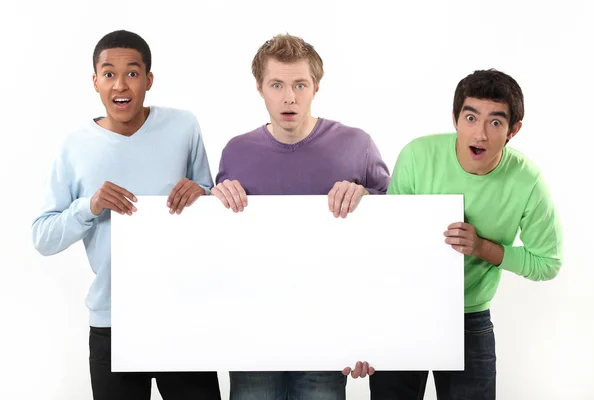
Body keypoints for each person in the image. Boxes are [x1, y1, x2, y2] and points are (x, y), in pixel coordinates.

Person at [31, 30, 221, 400]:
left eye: (132, 73)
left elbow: (213, 211)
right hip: (113, 322)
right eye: (108, 73)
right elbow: (42, 237)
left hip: (181, 316)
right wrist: (90, 205)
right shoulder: (74, 146)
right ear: (95, 81)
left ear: (149, 80)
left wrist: (205, 193)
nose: (120, 84)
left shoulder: (184, 127)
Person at [212, 33, 390, 399]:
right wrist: (212, 201)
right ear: (260, 88)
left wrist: (367, 196)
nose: (289, 97)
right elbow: (222, 241)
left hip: (327, 329)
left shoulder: (357, 144)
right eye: (276, 84)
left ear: (316, 88)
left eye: (299, 84)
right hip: (254, 331)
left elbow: (396, 226)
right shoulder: (236, 151)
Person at [369, 69, 563, 399]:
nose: (481, 134)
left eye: (496, 122)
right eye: (471, 117)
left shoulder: (527, 180)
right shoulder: (417, 155)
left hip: (469, 317)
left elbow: (547, 263)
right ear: (455, 119)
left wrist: (483, 247)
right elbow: (389, 242)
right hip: (404, 311)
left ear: (513, 130)